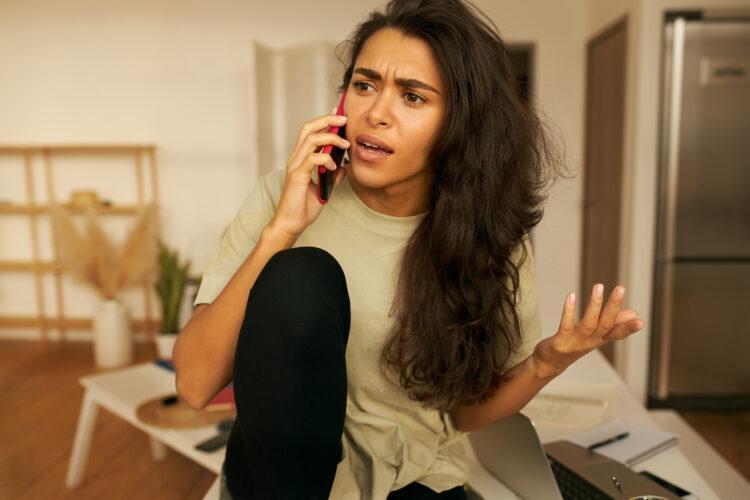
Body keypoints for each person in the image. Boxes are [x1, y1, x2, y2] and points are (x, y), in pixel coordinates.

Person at [173, 0, 646, 498]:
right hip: (277, 482)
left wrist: (546, 364)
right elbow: (195, 384)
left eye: (413, 97)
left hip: (410, 477)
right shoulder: (282, 196)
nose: (376, 113)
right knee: (301, 274)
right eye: (364, 84)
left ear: (458, 124)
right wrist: (282, 230)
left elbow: (464, 414)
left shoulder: (490, 241)